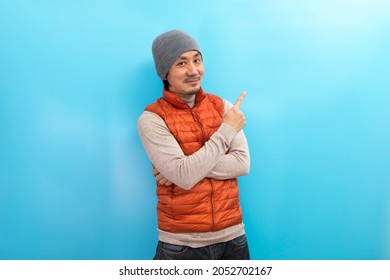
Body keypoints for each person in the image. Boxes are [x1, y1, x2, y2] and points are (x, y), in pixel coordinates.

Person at [137, 29, 250, 260]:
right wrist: (226, 130)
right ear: (165, 73)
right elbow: (185, 175)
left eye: (197, 60)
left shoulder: (224, 107)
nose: (193, 71)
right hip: (181, 247)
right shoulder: (152, 119)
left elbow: (242, 163)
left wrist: (185, 167)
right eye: (181, 63)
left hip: (234, 240)